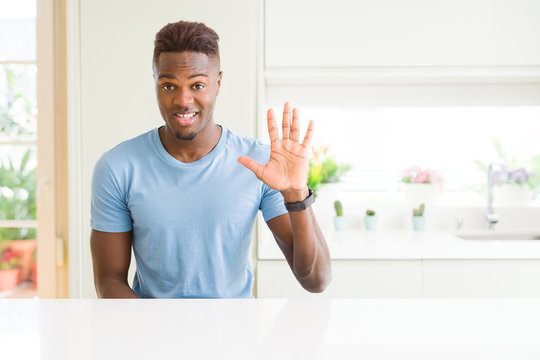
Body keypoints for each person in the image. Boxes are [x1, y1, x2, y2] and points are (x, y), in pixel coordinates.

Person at [90, 20, 331, 298]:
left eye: (197, 85)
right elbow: (109, 282)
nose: (183, 100)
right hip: (154, 335)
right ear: (155, 83)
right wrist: (155, 335)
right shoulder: (117, 167)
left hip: (237, 334)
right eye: (169, 86)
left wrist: (295, 193)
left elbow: (316, 280)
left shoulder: (260, 163)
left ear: (217, 83)